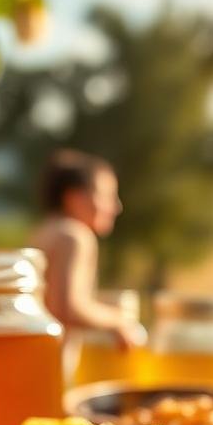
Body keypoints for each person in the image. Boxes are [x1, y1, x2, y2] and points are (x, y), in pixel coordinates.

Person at [30, 149, 136, 349]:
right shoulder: (75, 236)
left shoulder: (45, 231)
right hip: (53, 362)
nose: (116, 206)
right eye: (107, 196)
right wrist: (118, 321)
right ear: (74, 197)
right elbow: (66, 307)